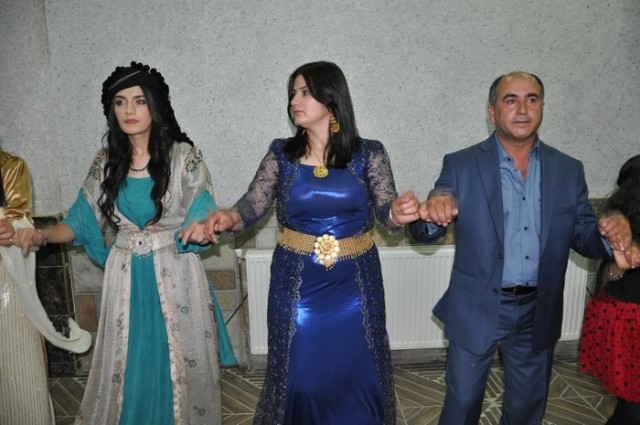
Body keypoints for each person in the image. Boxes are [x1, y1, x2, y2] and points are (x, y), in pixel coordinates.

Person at [409, 71, 636, 424]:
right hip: (477, 306)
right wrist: (431, 216)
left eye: (532, 99)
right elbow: (430, 222)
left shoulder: (568, 169)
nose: (522, 109)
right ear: (492, 111)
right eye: (510, 100)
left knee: (527, 408)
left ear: (542, 107)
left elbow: (583, 233)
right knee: (462, 404)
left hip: (538, 309)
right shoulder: (461, 164)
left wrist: (610, 237)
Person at [15, 62, 234, 424]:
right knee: (131, 357)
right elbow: (79, 221)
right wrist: (40, 235)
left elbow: (202, 207)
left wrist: (202, 226)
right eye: (120, 102)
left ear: (156, 106)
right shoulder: (105, 164)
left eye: (139, 100)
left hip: (176, 274)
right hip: (127, 277)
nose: (129, 110)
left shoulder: (184, 157)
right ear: (111, 110)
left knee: (176, 359)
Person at [205, 61, 418, 424]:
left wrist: (399, 213)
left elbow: (387, 214)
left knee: (357, 372)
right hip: (296, 285)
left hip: (356, 286)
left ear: (331, 99)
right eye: (292, 93)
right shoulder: (282, 154)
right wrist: (228, 218)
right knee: (301, 376)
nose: (294, 101)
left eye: (305, 92)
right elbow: (251, 206)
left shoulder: (369, 153)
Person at [580, 154, 640, 424]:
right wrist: (622, 267)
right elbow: (606, 278)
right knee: (632, 410)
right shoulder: (621, 225)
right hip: (629, 327)